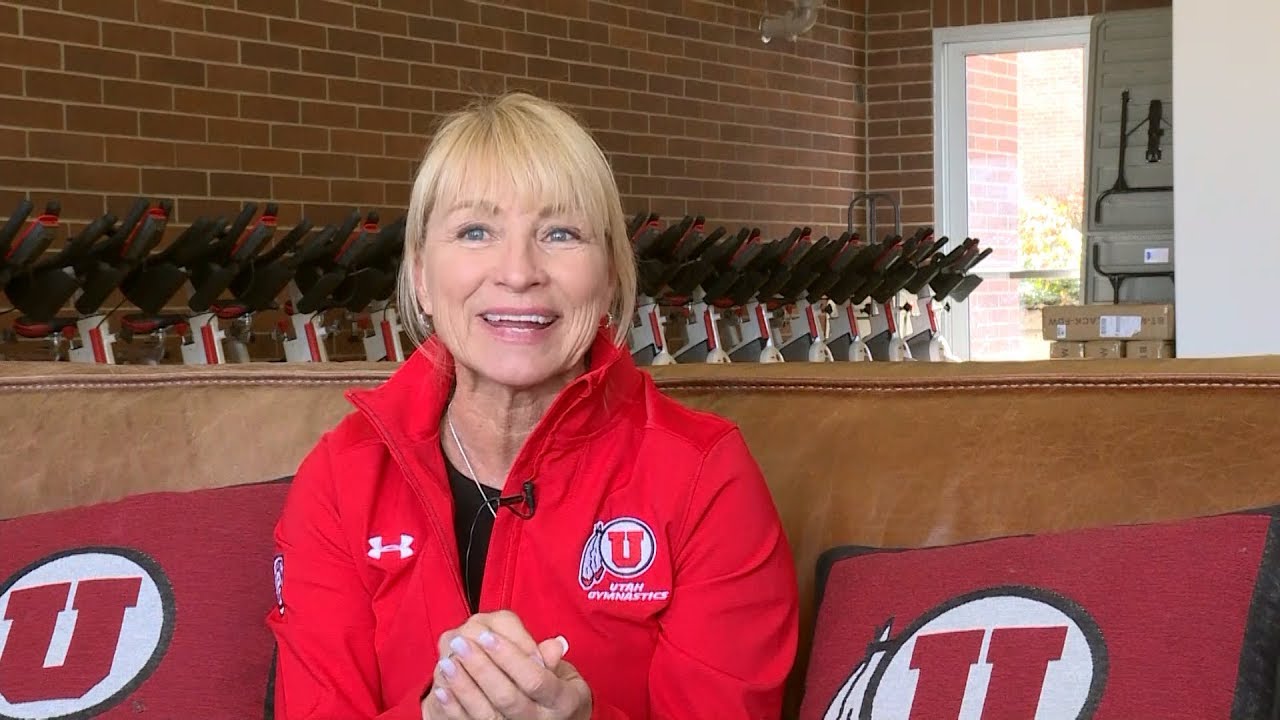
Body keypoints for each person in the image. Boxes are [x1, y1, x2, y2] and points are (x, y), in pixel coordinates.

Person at [266, 91, 799, 720]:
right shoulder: (342, 479)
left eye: (561, 233)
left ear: (608, 277)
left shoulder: (704, 474)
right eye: (474, 230)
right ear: (418, 277)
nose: (518, 271)